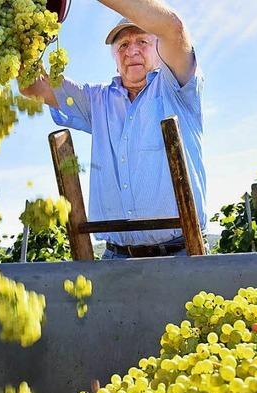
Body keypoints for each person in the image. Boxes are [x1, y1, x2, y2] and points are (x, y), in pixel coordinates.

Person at [20, 0, 206, 259]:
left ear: (159, 47)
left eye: (142, 41)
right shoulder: (95, 101)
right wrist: (17, 34)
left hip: (181, 254)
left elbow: (172, 27)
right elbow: (34, 87)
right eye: (123, 45)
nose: (132, 51)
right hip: (115, 260)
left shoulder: (176, 86)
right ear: (115, 58)